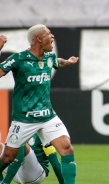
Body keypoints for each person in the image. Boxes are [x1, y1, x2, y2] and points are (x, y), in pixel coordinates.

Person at [0, 24, 77, 184]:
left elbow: (58, 62)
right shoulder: (18, 59)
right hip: (24, 119)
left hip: (47, 116)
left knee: (66, 148)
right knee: (7, 157)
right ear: (39, 39)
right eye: (49, 33)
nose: (53, 36)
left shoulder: (50, 58)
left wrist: (68, 62)